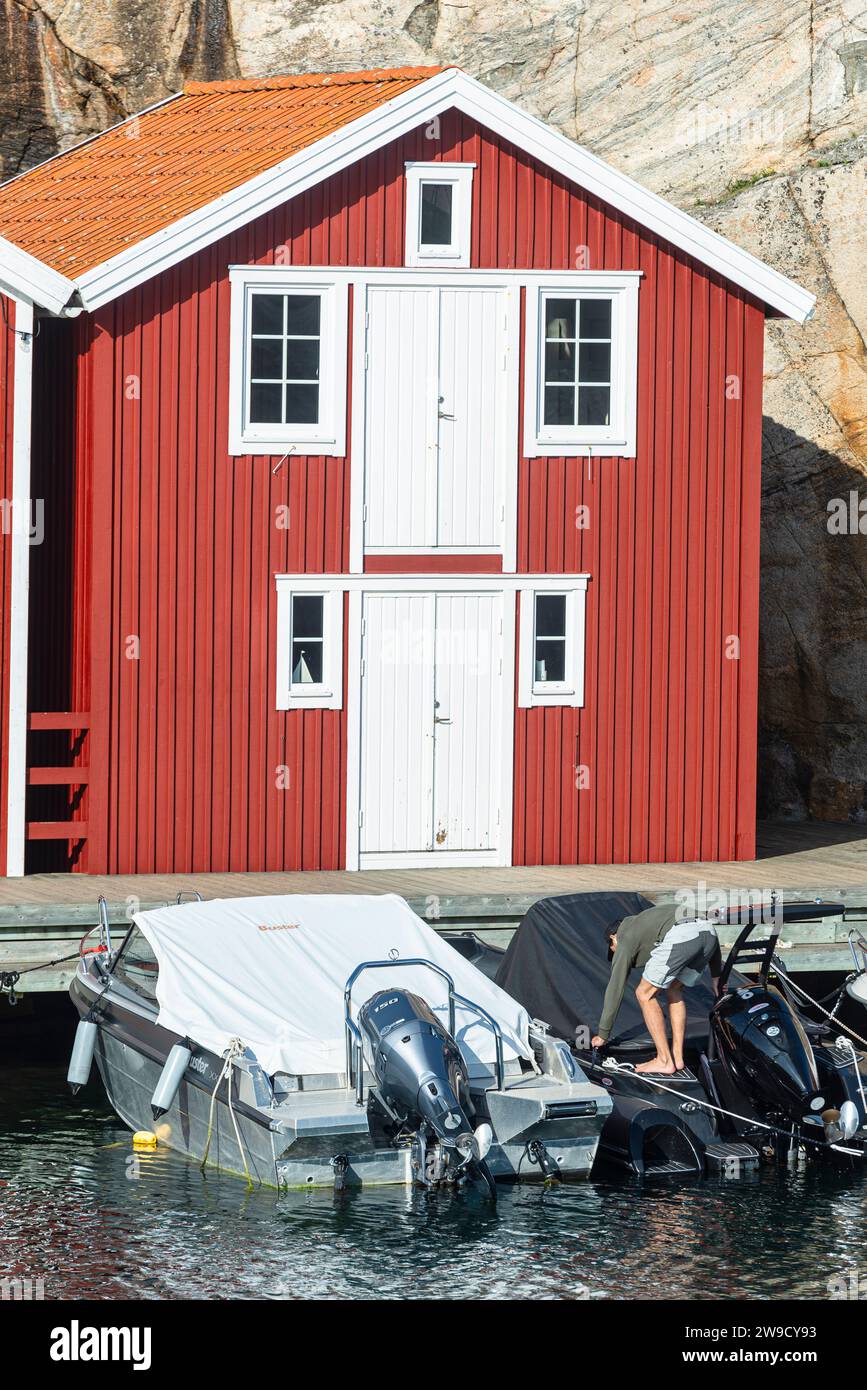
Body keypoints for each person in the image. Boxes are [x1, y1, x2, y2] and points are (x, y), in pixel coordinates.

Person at [590, 904, 722, 1074]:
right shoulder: (645, 922)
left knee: (644, 993)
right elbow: (704, 927)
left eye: (612, 950)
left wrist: (603, 1034)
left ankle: (664, 1061)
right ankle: (677, 1057)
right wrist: (716, 977)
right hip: (709, 935)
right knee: (674, 990)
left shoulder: (625, 937)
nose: (615, 953)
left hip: (683, 934)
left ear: (613, 938)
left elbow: (615, 986)